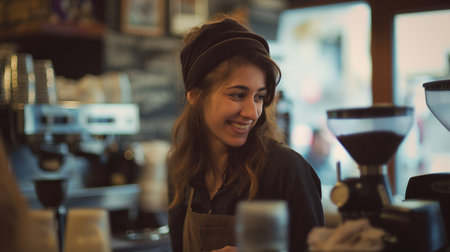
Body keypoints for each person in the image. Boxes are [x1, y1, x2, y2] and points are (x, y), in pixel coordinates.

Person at [167, 17, 324, 252]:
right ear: (196, 96)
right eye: (237, 95)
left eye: (259, 97)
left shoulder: (286, 169)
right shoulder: (181, 168)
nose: (252, 112)